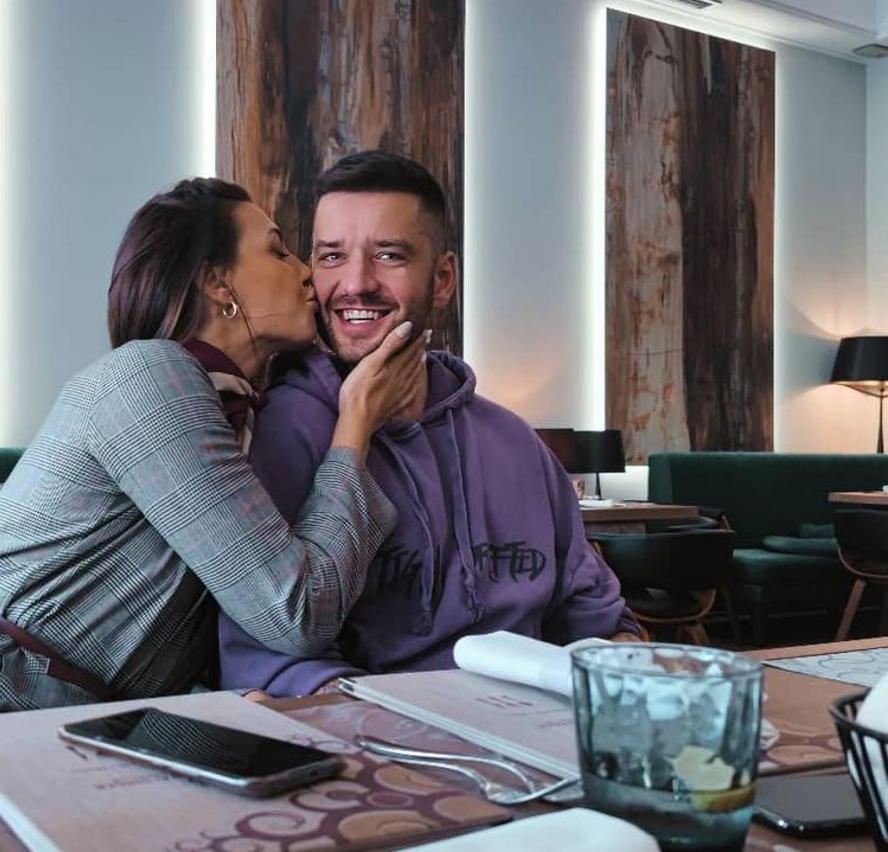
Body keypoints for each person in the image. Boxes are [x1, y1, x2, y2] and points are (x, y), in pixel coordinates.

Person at [0, 178, 426, 739]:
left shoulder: (240, 416)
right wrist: (356, 426)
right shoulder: (152, 376)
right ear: (217, 282)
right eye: (278, 251)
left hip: (46, 721)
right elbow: (294, 613)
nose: (305, 272)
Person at [219, 152, 640, 698]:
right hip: (372, 736)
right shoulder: (277, 436)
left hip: (536, 730)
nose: (355, 284)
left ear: (442, 279)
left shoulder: (516, 442)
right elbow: (267, 665)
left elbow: (599, 622)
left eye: (388, 255)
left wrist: (630, 679)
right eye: (332, 256)